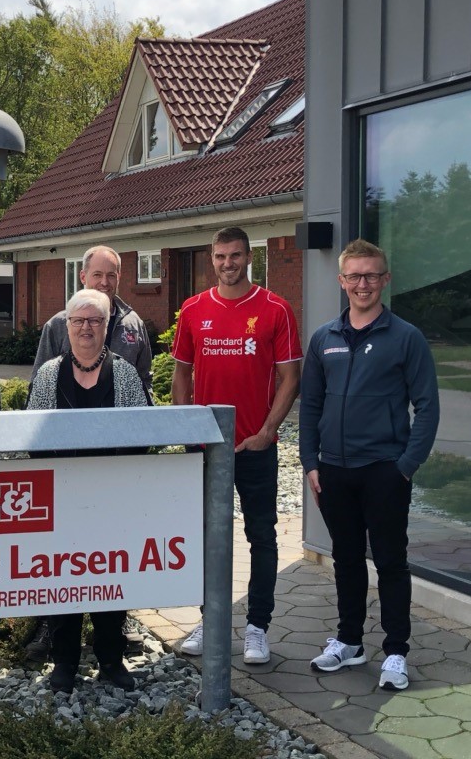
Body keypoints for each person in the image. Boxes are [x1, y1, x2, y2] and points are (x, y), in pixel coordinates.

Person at [300, 239, 439, 691]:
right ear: (342, 281)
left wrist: (406, 465)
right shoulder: (324, 338)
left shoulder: (406, 337)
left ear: (385, 279)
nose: (364, 283)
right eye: (355, 276)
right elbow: (310, 405)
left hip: (385, 469)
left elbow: (427, 406)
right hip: (334, 471)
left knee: (391, 562)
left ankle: (396, 651)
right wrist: (310, 461)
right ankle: (349, 641)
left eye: (372, 275)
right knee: (345, 559)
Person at [171, 226, 302, 665]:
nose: (227, 263)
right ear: (212, 259)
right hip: (206, 447)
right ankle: (210, 619)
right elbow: (181, 374)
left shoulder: (275, 309)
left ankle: (257, 627)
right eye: (220, 256)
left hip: (255, 447)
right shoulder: (193, 309)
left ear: (249, 257)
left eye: (235, 255)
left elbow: (291, 378)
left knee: (261, 535)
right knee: (207, 536)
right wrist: (186, 427)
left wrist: (267, 431)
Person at [27, 244, 153, 659]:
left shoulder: (129, 346)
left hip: (112, 489)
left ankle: (111, 651)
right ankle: (60, 651)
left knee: (110, 568)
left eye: (94, 321)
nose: (86, 328)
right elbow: (35, 426)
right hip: (62, 490)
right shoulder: (51, 363)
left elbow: (143, 418)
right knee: (63, 570)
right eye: (79, 321)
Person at [31, 245, 153, 393]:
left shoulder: (133, 325)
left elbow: (144, 380)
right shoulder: (58, 325)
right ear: (83, 276)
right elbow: (39, 383)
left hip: (122, 409)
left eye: (111, 275)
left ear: (119, 277)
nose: (104, 282)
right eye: (97, 275)